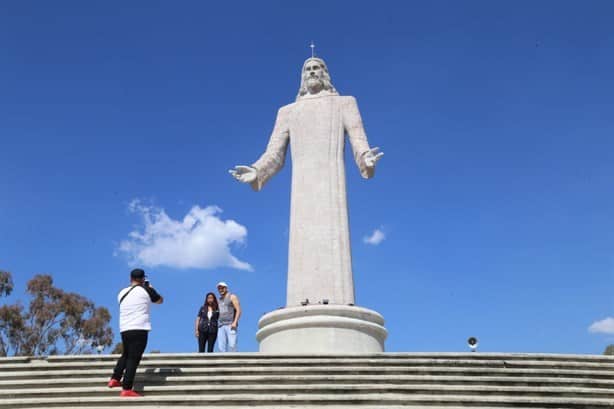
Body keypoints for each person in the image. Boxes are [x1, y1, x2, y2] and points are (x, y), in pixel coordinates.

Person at [108, 268, 163, 397]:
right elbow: (160, 300)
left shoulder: (121, 292)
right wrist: (151, 288)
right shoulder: (146, 289)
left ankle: (115, 379)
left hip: (124, 328)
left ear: (130, 278)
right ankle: (127, 388)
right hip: (139, 327)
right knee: (134, 358)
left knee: (126, 354)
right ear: (143, 278)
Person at [216, 281, 241, 352]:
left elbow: (239, 310)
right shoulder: (218, 300)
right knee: (221, 348)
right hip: (221, 326)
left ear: (226, 288)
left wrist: (235, 322)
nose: (221, 290)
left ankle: (234, 362)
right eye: (219, 288)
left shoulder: (232, 296)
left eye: (222, 288)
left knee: (232, 345)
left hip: (230, 324)